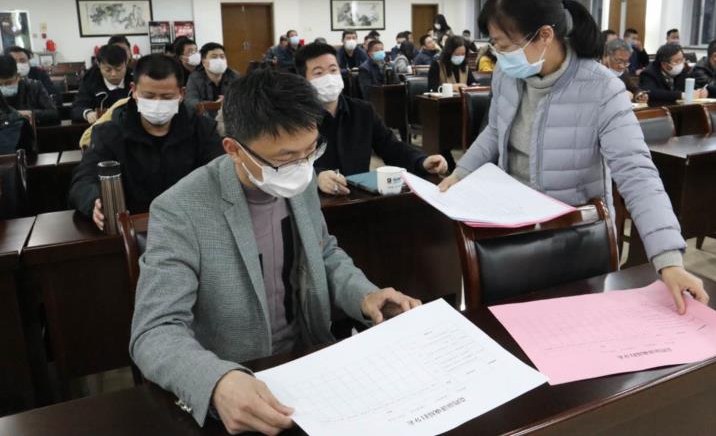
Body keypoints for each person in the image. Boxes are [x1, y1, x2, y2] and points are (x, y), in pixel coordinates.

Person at [129, 67, 422, 432]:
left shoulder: (298, 177)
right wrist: (216, 382)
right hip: (241, 381)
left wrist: (364, 296)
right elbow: (154, 331)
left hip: (308, 364)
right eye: (285, 158)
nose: (302, 168)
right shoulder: (180, 210)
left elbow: (323, 253)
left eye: (310, 151)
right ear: (234, 149)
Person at [437, 0, 708, 314]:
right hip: (510, 227)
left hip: (574, 237)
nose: (500, 55)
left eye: (504, 45)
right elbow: (495, 131)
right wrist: (461, 173)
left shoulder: (601, 88)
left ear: (544, 35)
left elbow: (636, 173)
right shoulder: (507, 75)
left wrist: (668, 259)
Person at [69, 54, 223, 230]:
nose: (157, 104)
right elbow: (83, 180)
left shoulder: (203, 129)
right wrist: (94, 201)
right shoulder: (109, 133)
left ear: (181, 94)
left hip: (192, 225)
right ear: (134, 91)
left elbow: (220, 176)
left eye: (166, 97)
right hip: (132, 228)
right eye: (149, 96)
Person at [296, 42, 448, 195]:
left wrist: (421, 161)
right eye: (318, 73)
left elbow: (391, 147)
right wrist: (316, 176)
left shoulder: (362, 111)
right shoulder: (295, 119)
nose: (328, 78)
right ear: (303, 81)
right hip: (314, 198)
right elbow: (288, 164)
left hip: (358, 196)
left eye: (333, 70)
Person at [72, 44, 132, 123]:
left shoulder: (135, 79)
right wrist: (88, 113)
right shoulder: (90, 81)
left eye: (118, 69)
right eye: (108, 70)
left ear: (126, 64)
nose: (113, 74)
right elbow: (77, 108)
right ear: (99, 65)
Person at [639, 43, 707, 104]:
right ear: (664, 64)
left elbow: (694, 86)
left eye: (682, 59)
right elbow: (651, 93)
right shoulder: (649, 73)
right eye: (677, 61)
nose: (681, 64)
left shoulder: (683, 70)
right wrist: (681, 95)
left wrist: (701, 91)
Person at [0, 55, 58, 126]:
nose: (3, 86)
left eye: (8, 83)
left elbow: (53, 113)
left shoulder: (34, 87)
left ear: (18, 76)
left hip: (31, 130)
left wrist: (31, 113)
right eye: (0, 84)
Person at [184, 42, 238, 115]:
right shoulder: (195, 78)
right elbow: (190, 102)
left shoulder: (233, 76)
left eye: (222, 57)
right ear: (204, 62)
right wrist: (215, 105)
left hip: (229, 117)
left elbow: (242, 99)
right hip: (205, 118)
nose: (219, 60)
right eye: (214, 57)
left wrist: (229, 101)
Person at [601, 39, 647, 103]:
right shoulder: (595, 73)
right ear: (607, 56)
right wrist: (620, 95)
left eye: (626, 62)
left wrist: (639, 95)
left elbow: (634, 88)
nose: (622, 66)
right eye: (618, 61)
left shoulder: (624, 72)